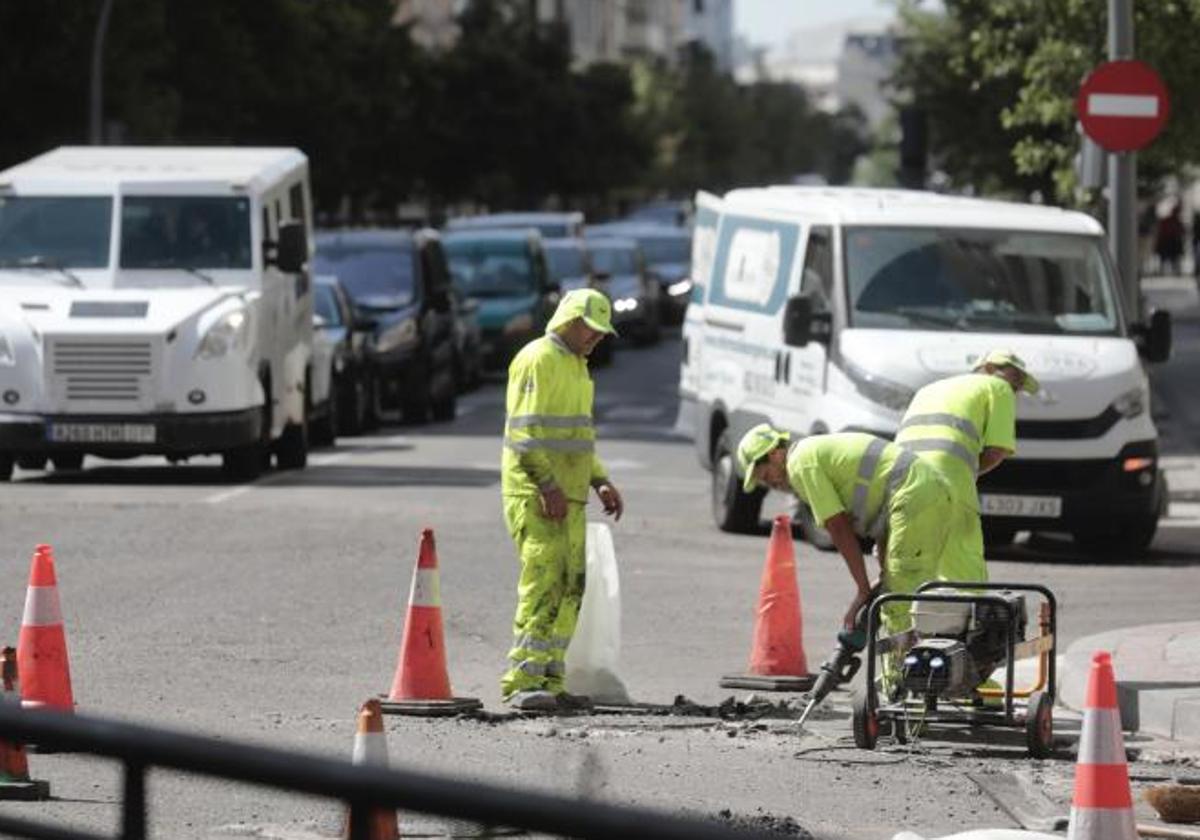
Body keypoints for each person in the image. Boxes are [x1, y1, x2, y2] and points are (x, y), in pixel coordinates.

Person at [499, 288, 624, 712]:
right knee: (543, 584)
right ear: (569, 319)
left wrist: (599, 480)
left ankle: (550, 680)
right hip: (537, 495)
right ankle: (523, 682)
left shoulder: (577, 367)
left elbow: (578, 437)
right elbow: (523, 432)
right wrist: (548, 485)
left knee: (571, 586)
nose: (597, 339)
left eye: (602, 334)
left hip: (567, 496)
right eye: (592, 330)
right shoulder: (539, 359)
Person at [736, 425, 953, 648]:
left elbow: (838, 527)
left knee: (897, 598)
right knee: (900, 587)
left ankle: (904, 677)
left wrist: (862, 589)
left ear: (775, 454)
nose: (770, 483)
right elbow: (879, 506)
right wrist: (882, 573)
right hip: (923, 490)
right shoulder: (811, 453)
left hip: (915, 494)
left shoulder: (801, 465)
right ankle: (918, 666)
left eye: (764, 475)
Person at [894, 349, 1039, 584]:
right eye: (1015, 382)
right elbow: (996, 451)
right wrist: (966, 474)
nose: (1016, 391)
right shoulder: (997, 387)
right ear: (990, 368)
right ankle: (965, 616)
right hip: (947, 478)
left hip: (901, 476)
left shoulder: (928, 389)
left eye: (1018, 388)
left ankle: (897, 619)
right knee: (962, 565)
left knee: (907, 563)